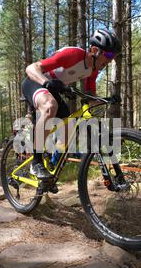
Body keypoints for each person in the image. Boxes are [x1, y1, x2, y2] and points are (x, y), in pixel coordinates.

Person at [22, 29, 122, 180]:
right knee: (50, 107)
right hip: (35, 81)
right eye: (108, 55)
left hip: (53, 89)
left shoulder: (92, 70)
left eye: (113, 57)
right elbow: (31, 68)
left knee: (69, 127)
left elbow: (90, 97)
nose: (110, 60)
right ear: (95, 50)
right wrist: (46, 82)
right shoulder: (73, 54)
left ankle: (52, 168)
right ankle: (36, 162)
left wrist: (107, 99)